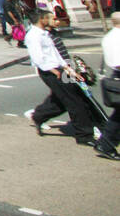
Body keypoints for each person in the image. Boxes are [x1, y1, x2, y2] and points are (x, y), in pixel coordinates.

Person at [23, 9, 95, 147]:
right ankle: (84, 135)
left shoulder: (45, 34)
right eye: (50, 18)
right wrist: (55, 71)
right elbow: (38, 58)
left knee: (61, 100)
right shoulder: (33, 36)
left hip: (60, 69)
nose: (53, 20)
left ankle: (39, 116)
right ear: (42, 19)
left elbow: (55, 54)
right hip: (51, 72)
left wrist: (68, 69)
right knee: (75, 101)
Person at [95, 12, 120, 161]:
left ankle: (105, 144)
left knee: (118, 116)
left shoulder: (109, 36)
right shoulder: (116, 38)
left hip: (114, 76)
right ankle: (105, 144)